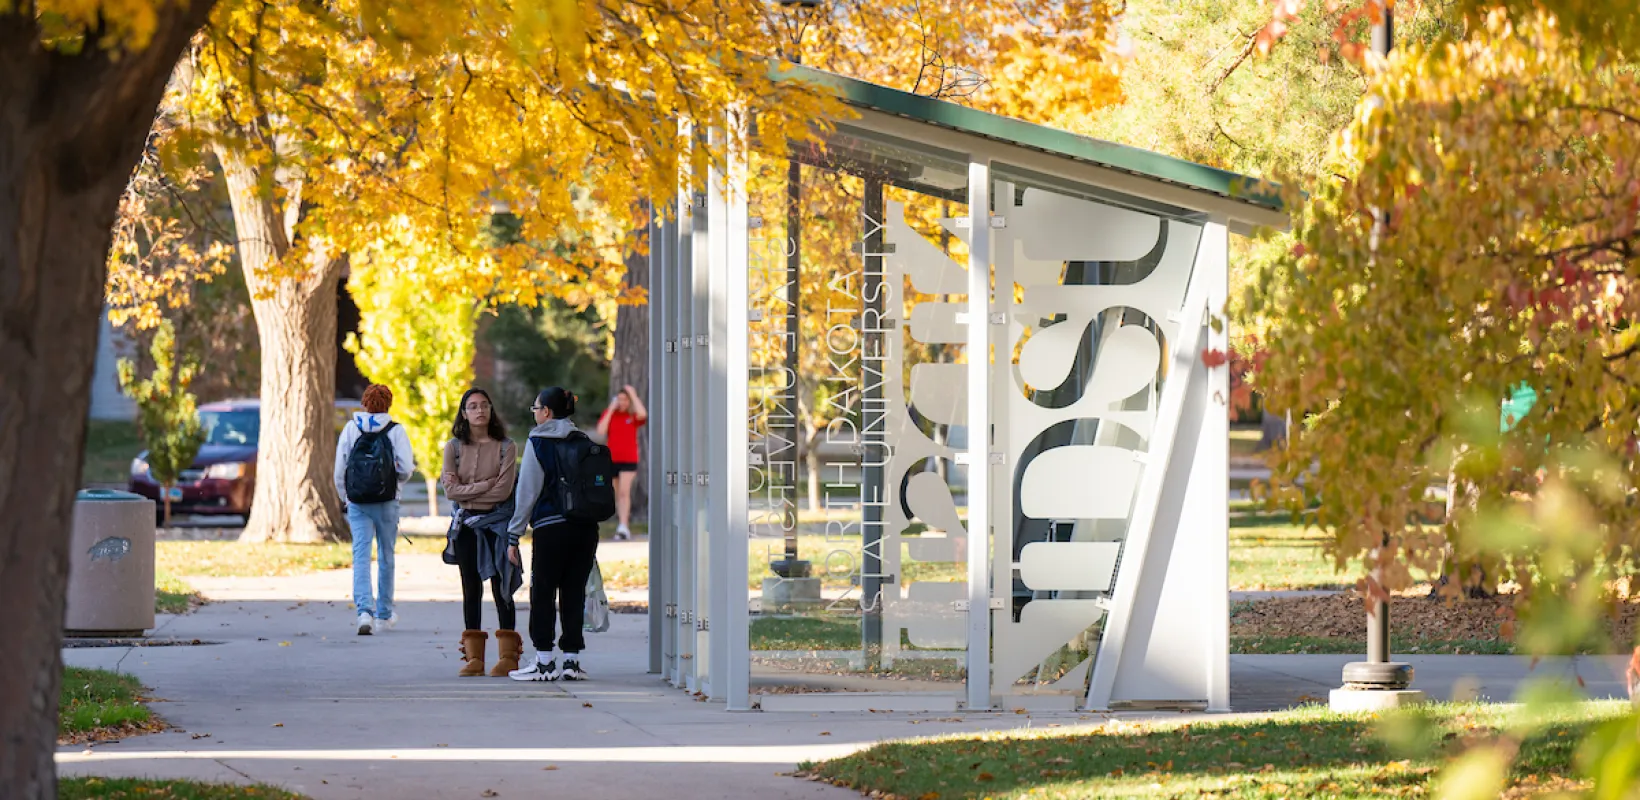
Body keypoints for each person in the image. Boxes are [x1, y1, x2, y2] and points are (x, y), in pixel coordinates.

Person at [509, 387, 600, 681]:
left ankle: (545, 661)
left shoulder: (538, 442)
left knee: (544, 592)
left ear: (546, 412)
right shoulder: (584, 441)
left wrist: (514, 535)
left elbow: (527, 492)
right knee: (574, 592)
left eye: (536, 408)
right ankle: (571, 660)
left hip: (551, 528)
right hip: (585, 530)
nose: (535, 413)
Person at [441, 388, 521, 677]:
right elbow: (451, 491)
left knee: (503, 587)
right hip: (465, 527)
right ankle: (474, 659)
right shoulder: (454, 448)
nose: (479, 410)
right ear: (464, 413)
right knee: (470, 588)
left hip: (498, 526)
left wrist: (471, 493)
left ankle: (509, 657)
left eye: (484, 405)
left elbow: (505, 490)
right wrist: (484, 486)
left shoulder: (506, 447)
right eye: (473, 406)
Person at [335, 384, 415, 636]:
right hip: (387, 501)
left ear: (364, 403)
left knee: (360, 555)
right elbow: (406, 468)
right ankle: (383, 614)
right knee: (386, 556)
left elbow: (340, 469)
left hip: (358, 502)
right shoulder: (396, 430)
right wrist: (395, 486)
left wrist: (346, 497)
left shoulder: (351, 428)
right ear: (388, 404)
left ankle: (363, 612)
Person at [596, 385, 648, 540]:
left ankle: (624, 525)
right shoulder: (611, 414)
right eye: (620, 399)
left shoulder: (632, 416)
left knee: (625, 492)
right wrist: (611, 409)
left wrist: (633, 394)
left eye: (625, 400)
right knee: (618, 494)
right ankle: (622, 525)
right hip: (612, 459)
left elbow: (643, 414)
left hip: (629, 459)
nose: (622, 403)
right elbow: (600, 431)